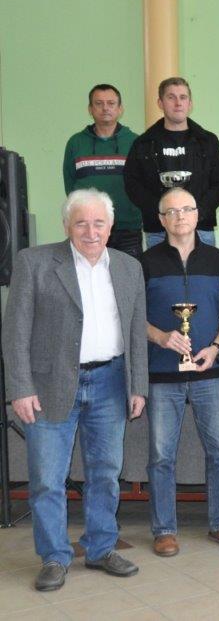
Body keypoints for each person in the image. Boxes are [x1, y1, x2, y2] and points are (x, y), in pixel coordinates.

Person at [3, 189, 147, 591]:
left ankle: (101, 548)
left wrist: (138, 386)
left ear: (111, 226)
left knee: (105, 474)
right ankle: (54, 556)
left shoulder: (129, 267)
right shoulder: (34, 262)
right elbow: (14, 332)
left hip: (111, 382)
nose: (90, 231)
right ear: (67, 225)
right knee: (47, 479)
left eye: (99, 223)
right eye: (81, 222)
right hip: (48, 386)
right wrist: (20, 387)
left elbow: (136, 332)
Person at [141, 187, 219, 557]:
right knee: (161, 457)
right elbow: (132, 318)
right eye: (171, 211)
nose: (180, 216)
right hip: (162, 375)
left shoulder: (217, 259)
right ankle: (164, 530)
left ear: (198, 215)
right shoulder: (146, 263)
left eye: (186, 209)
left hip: (208, 374)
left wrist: (215, 346)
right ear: (161, 220)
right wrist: (161, 337)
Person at [124, 77, 219, 247]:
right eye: (171, 97)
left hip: (201, 228)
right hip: (158, 230)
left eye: (183, 97)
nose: (178, 103)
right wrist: (162, 212)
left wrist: (197, 212)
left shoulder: (208, 141)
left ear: (190, 103)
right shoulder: (143, 143)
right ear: (160, 103)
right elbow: (132, 185)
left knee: (205, 267)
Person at [62, 83, 142, 257]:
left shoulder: (136, 142)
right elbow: (70, 185)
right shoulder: (76, 143)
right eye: (99, 103)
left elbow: (143, 184)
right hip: (88, 230)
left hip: (127, 229)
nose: (105, 108)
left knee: (127, 274)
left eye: (111, 103)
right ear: (90, 109)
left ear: (120, 109)